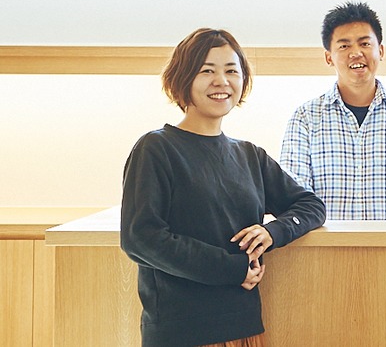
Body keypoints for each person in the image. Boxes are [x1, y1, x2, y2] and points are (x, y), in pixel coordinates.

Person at [120, 28, 326, 346]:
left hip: (244, 326)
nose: (221, 81)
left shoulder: (249, 155)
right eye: (207, 71)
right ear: (183, 78)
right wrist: (233, 268)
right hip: (181, 331)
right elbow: (141, 239)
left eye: (231, 71)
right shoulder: (156, 148)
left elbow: (311, 206)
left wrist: (274, 232)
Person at [280, 2, 386, 220]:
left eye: (365, 43)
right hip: (327, 242)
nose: (356, 53)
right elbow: (293, 194)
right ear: (329, 57)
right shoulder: (306, 117)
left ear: (381, 50)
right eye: (344, 46)